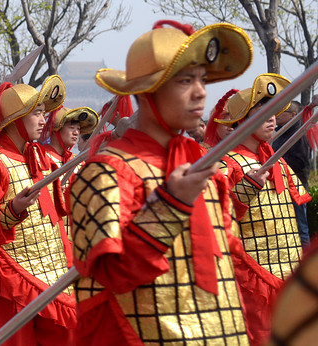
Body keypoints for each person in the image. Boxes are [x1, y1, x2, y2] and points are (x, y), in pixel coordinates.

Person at [69, 20, 256, 344]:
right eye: (185, 80)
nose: (201, 92)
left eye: (202, 79)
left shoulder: (200, 165)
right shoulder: (105, 172)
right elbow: (114, 274)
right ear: (148, 90)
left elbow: (229, 259)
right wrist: (171, 204)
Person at [0, 75, 76, 344]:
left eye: (43, 113)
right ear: (16, 118)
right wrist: (13, 209)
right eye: (36, 113)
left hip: (53, 269)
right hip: (11, 272)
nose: (43, 120)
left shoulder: (39, 157)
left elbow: (61, 212)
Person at [216, 73, 310, 280]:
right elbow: (215, 219)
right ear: (241, 120)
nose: (272, 118)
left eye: (273, 111)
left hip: (290, 270)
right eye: (262, 112)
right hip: (253, 274)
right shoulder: (226, 164)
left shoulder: (278, 160)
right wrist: (245, 189)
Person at [272, 100, 312, 246]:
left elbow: (299, 162)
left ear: (293, 115)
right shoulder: (280, 133)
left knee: (300, 229)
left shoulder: (298, 134)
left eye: (282, 112)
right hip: (283, 187)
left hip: (296, 188)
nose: (277, 115)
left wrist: (277, 164)